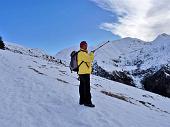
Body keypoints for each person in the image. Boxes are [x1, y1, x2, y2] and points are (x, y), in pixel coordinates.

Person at [77, 41, 95, 107]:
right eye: (85, 45)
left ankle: (81, 101)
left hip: (82, 72)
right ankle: (87, 102)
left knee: (82, 87)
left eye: (86, 45)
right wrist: (92, 54)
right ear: (81, 46)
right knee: (87, 88)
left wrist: (89, 53)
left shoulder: (82, 53)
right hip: (85, 73)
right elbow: (90, 59)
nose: (86, 46)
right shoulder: (82, 53)